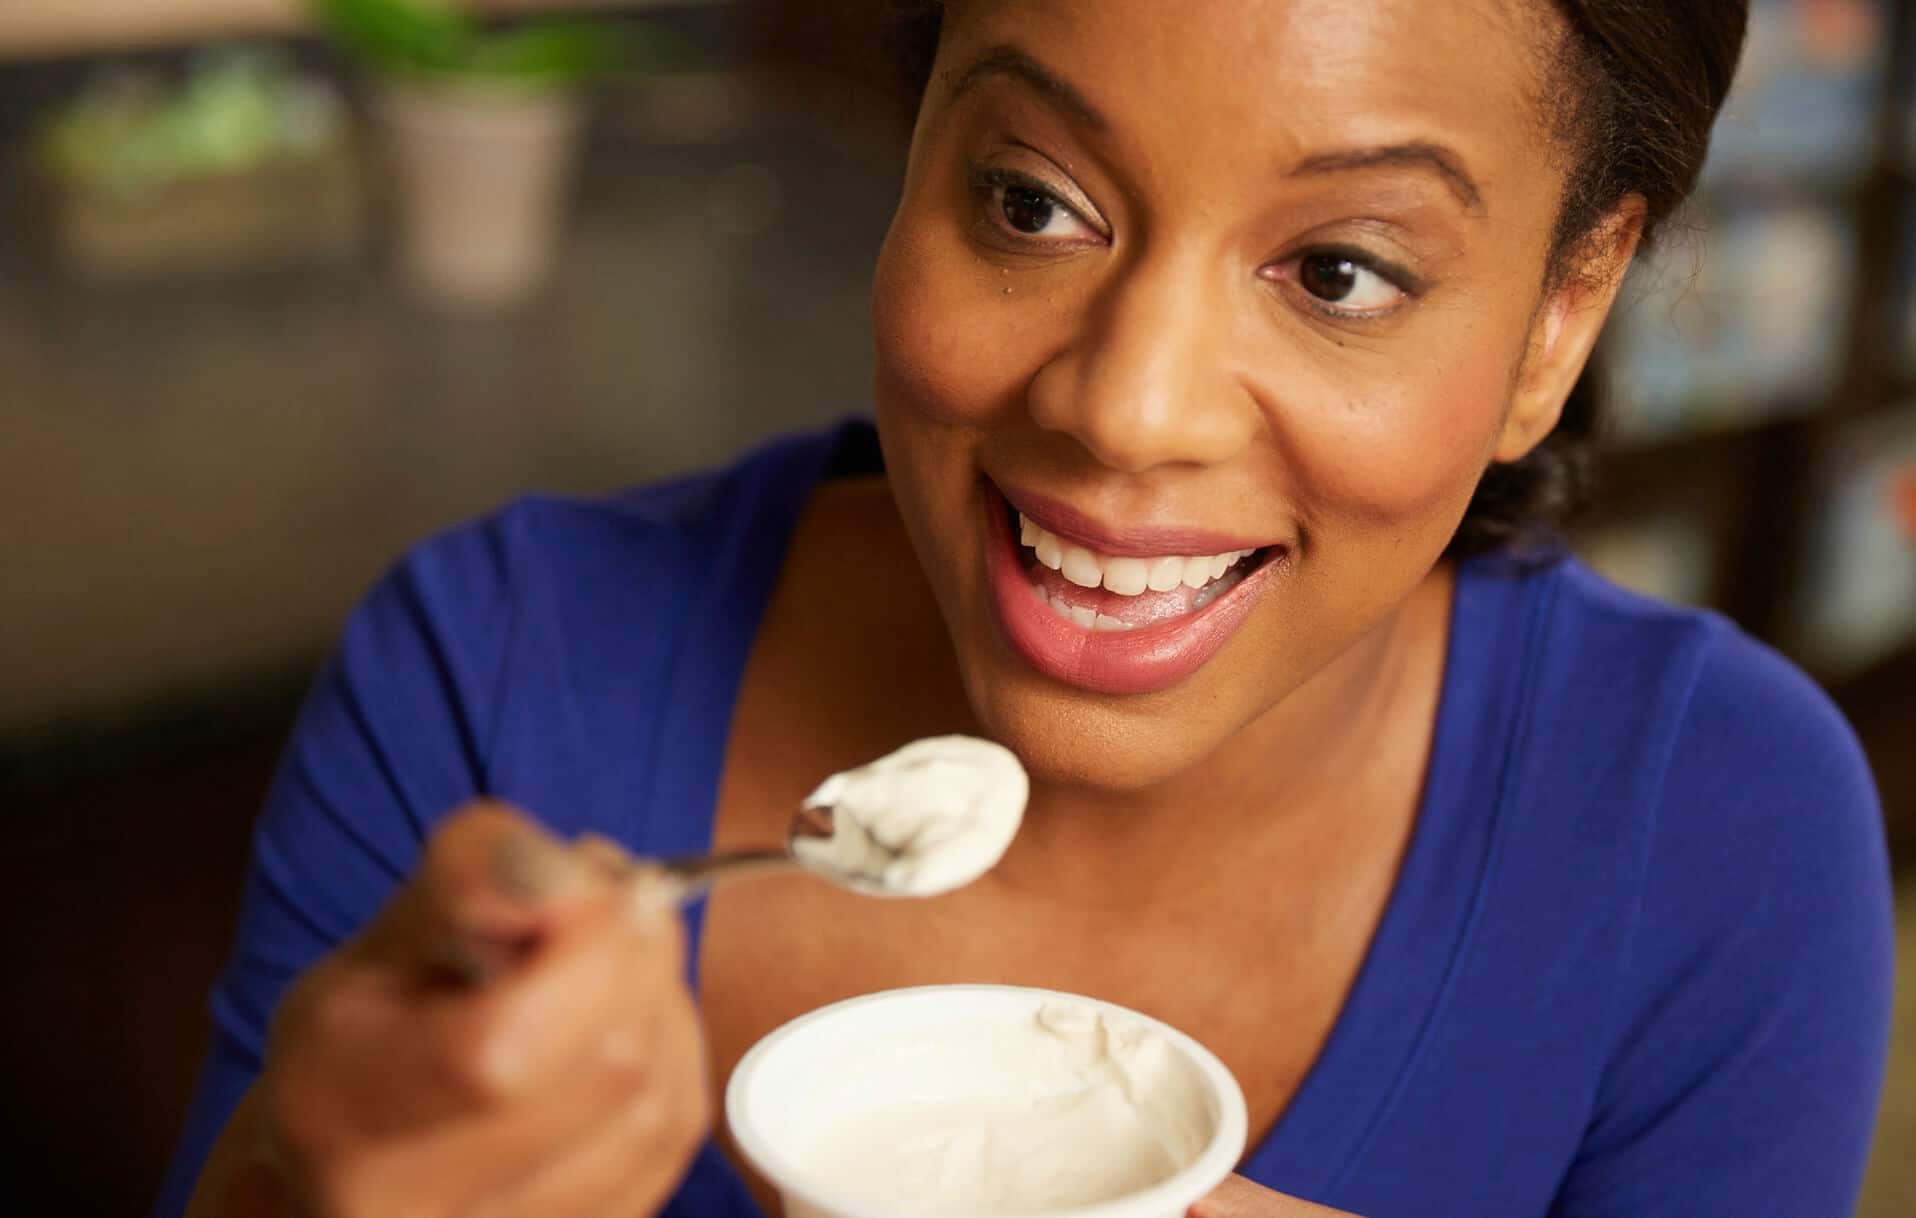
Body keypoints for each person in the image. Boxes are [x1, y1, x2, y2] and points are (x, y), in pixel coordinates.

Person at [160, 2, 1895, 1215]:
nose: (1128, 408)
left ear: (1559, 318)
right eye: (1030, 201)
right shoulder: (490, 681)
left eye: (1341, 271)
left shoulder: (1720, 845)